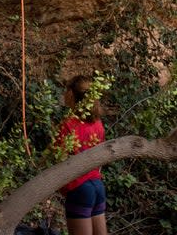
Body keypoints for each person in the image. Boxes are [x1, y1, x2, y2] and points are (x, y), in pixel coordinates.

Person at [55, 75, 108, 235]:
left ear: (71, 94)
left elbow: (59, 158)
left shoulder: (68, 125)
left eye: (66, 91)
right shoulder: (97, 123)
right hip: (97, 186)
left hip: (79, 188)